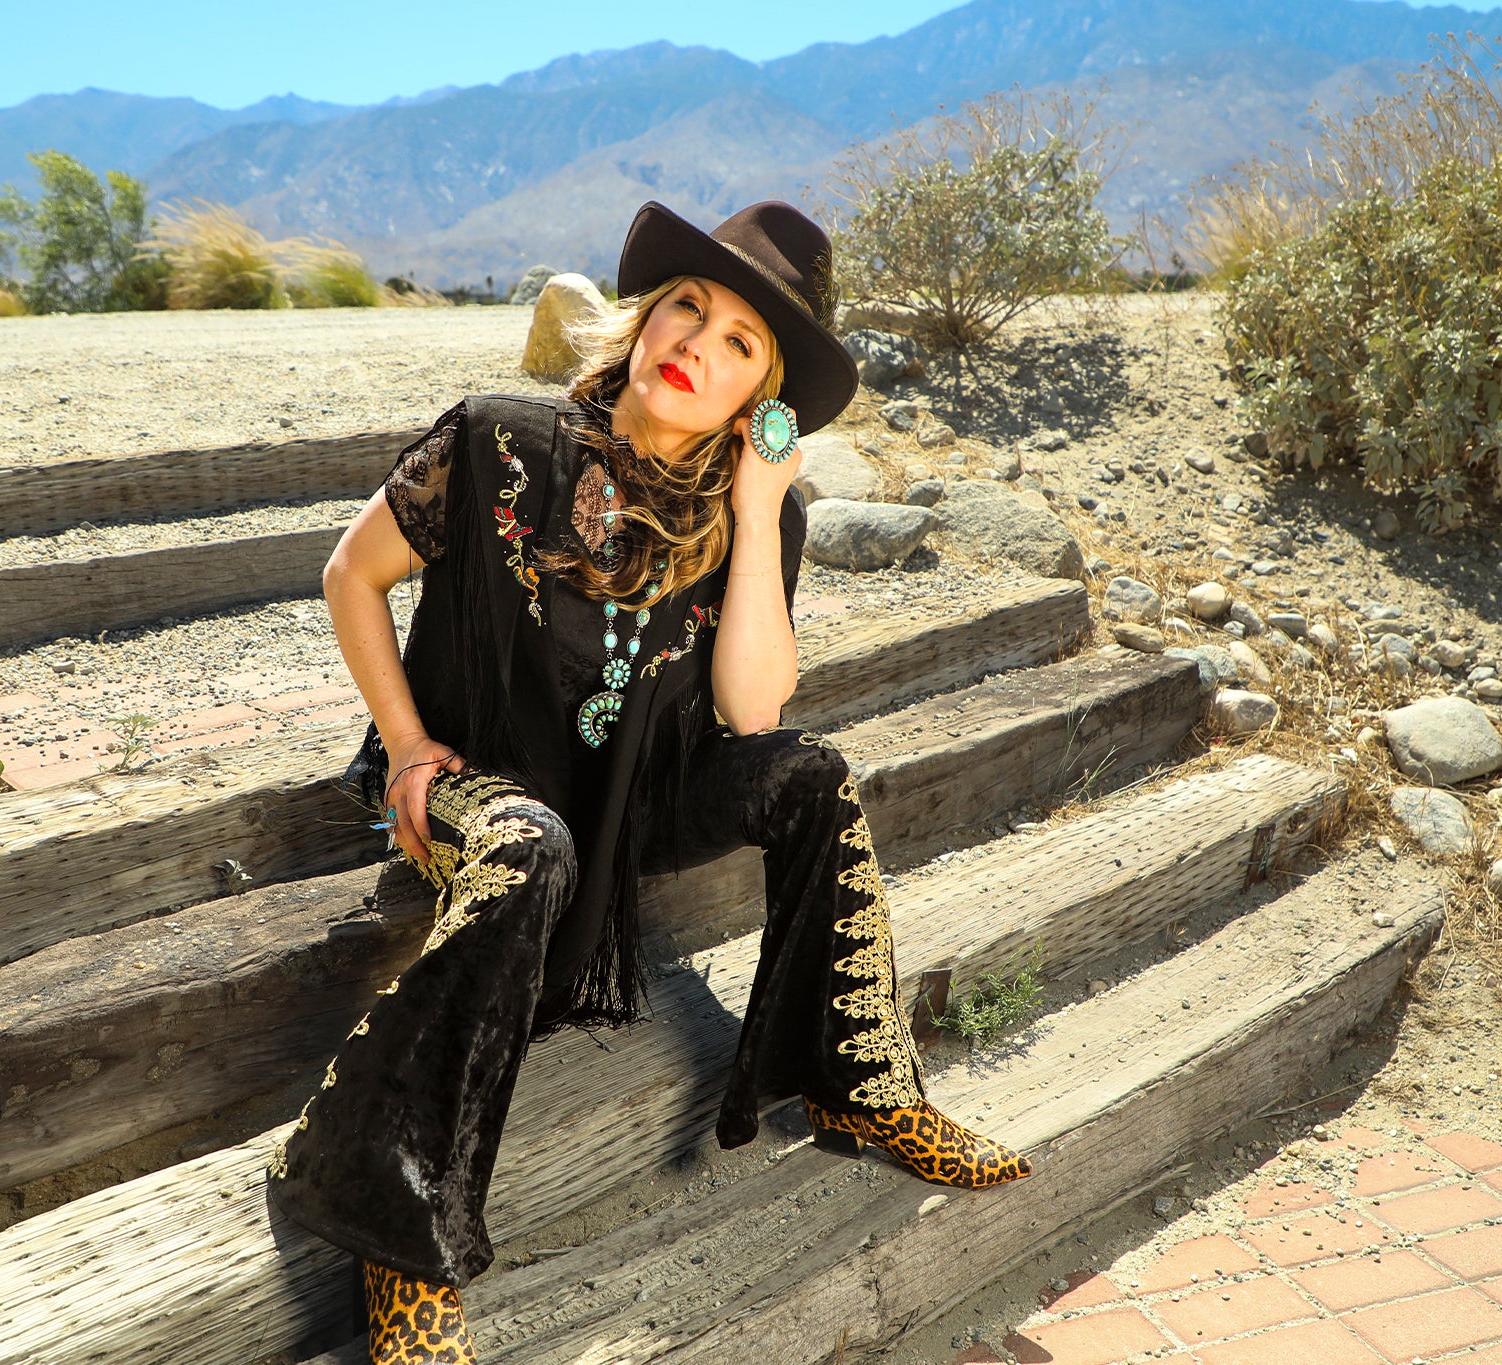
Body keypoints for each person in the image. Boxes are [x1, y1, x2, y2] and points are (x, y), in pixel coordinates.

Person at [267, 200, 1032, 1364]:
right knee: (530, 849)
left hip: (635, 796)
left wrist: (762, 509)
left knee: (813, 776)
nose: (697, 343)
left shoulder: (751, 518)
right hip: (476, 781)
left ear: (759, 397)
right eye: (688, 307)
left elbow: (752, 713)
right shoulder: (496, 441)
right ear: (642, 318)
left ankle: (862, 1087)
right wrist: (408, 745)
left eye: (740, 343)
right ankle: (399, 1240)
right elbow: (349, 574)